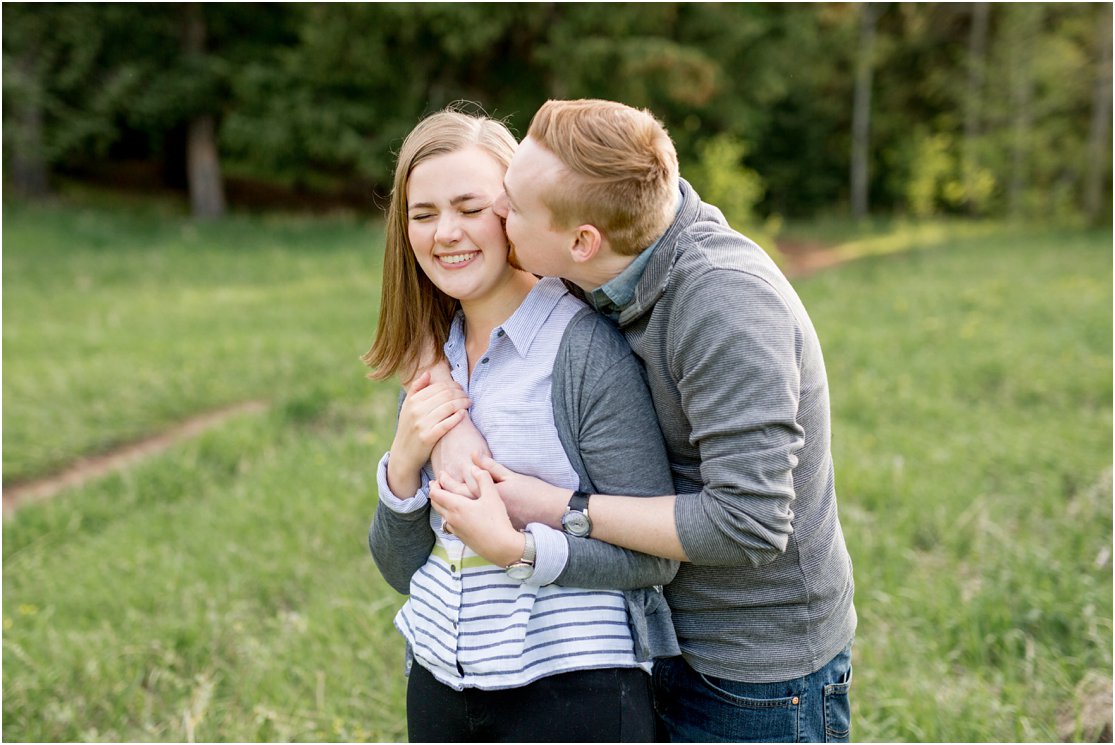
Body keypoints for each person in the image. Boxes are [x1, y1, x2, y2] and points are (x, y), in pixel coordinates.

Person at [429, 99, 857, 743]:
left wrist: (557, 507)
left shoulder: (724, 304)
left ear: (581, 241)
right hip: (652, 638)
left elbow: (750, 523)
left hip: (755, 673)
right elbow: (434, 309)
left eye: (511, 206)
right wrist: (447, 412)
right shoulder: (603, 252)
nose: (495, 214)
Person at [362, 107, 681, 743]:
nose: (445, 233)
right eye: (423, 215)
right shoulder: (435, 358)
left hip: (572, 689)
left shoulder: (583, 351)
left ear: (513, 208)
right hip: (439, 681)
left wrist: (521, 548)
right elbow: (401, 570)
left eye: (469, 207)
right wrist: (403, 464)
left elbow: (652, 559)